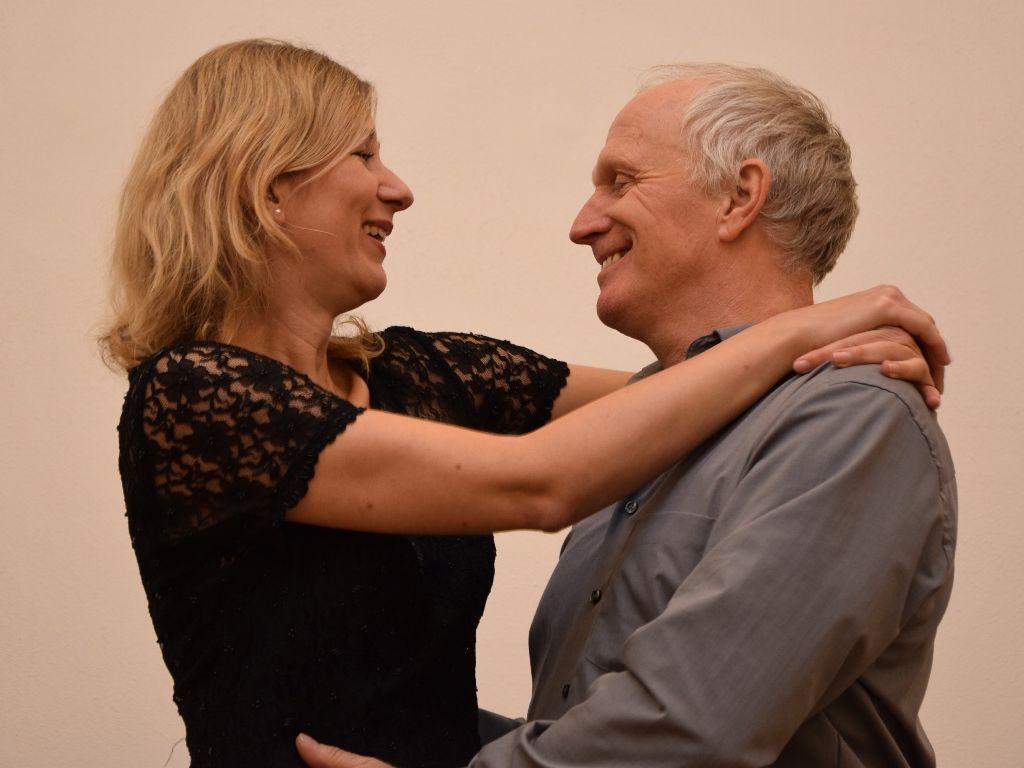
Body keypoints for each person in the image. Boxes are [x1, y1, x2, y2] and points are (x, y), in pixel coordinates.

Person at [102, 41, 946, 768]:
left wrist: (818, 350)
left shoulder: (425, 375)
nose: (398, 188)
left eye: (621, 181)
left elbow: (685, 725)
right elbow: (542, 481)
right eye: (363, 155)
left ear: (739, 197)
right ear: (266, 187)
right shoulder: (195, 397)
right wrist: (796, 332)